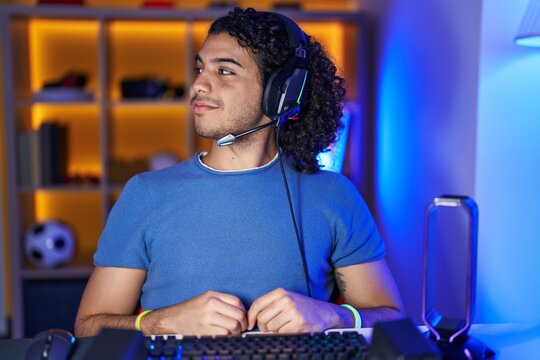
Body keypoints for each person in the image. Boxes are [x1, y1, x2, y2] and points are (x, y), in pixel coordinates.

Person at [75, 7, 403, 337]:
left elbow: (392, 316)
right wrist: (161, 322)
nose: (198, 86)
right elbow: (88, 327)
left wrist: (333, 316)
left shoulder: (333, 194)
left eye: (225, 72)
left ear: (281, 92)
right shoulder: (145, 193)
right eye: (200, 69)